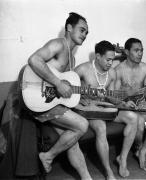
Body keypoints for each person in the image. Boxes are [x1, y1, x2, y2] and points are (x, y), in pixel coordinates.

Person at [27, 12, 92, 179]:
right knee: (82, 125)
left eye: (86, 32)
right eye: (82, 30)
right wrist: (57, 83)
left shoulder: (73, 58)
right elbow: (34, 60)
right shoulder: (58, 44)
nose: (84, 35)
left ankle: (86, 177)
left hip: (52, 104)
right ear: (69, 27)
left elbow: (64, 90)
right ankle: (47, 156)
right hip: (37, 99)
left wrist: (78, 96)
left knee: (72, 142)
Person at [74, 40, 138, 179]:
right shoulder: (83, 69)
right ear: (97, 56)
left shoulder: (112, 74)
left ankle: (123, 159)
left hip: (106, 108)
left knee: (133, 118)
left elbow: (111, 96)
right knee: (101, 127)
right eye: (108, 59)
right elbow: (66, 86)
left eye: (112, 59)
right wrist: (79, 99)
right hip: (90, 111)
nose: (110, 63)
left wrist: (123, 104)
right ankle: (108, 171)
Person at [114, 38, 146, 171]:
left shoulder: (145, 69)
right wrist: (126, 97)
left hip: (141, 104)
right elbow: (113, 95)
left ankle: (142, 151)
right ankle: (138, 150)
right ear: (126, 52)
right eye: (136, 50)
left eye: (141, 50)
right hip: (125, 106)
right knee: (140, 123)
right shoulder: (119, 70)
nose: (140, 53)